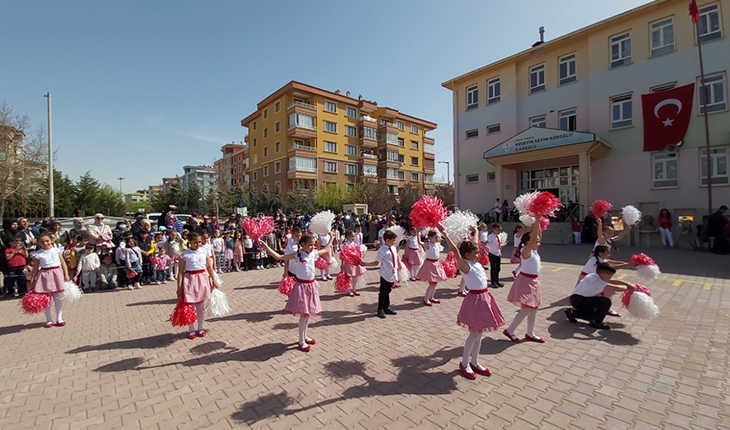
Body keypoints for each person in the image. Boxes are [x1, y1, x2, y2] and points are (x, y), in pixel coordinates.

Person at [441, 225, 504, 380]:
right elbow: (455, 251)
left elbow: (475, 243)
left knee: (480, 332)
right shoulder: (465, 264)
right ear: (467, 254)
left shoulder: (475, 262)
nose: (479, 254)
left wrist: (475, 232)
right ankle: (464, 362)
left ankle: (475, 361)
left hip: (484, 298)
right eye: (476, 253)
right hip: (475, 300)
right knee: (474, 333)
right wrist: (445, 234)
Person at [258, 231, 335, 352]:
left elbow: (325, 250)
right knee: (303, 315)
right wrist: (266, 246)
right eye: (310, 244)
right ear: (302, 244)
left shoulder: (313, 254)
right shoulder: (297, 255)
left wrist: (332, 238)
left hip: (311, 286)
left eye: (313, 245)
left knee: (308, 314)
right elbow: (279, 257)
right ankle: (301, 340)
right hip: (302, 287)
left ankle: (305, 336)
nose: (312, 247)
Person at [504, 223, 544, 343]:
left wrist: (539, 221)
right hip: (525, 281)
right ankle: (510, 330)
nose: (539, 243)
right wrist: (536, 222)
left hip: (534, 281)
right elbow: (533, 239)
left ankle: (530, 333)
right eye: (536, 242)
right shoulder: (526, 251)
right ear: (529, 242)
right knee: (526, 309)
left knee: (534, 308)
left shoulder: (534, 251)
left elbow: (538, 236)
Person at [565, 262, 637, 330]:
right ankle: (597, 322)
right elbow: (616, 288)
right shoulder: (596, 281)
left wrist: (628, 284)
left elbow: (613, 281)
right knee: (605, 302)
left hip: (578, 299)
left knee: (595, 314)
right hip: (580, 300)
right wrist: (628, 288)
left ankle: (573, 313)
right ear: (604, 275)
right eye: (610, 276)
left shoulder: (594, 275)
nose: (610, 278)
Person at [177, 232, 219, 340]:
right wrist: (179, 288)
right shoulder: (184, 254)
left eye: (199, 242)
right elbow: (181, 272)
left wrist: (213, 279)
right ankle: (191, 329)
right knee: (189, 306)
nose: (198, 244)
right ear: (189, 242)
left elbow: (209, 267)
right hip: (190, 279)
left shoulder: (204, 252)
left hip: (202, 278)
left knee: (200, 306)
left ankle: (200, 327)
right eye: (195, 242)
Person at [28, 233, 70, 328]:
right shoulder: (38, 254)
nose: (45, 243)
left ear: (51, 240)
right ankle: (48, 319)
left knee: (58, 297)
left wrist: (66, 274)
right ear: (38, 243)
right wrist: (32, 280)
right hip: (44, 275)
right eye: (42, 242)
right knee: (46, 299)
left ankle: (59, 318)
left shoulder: (56, 251)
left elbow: (63, 263)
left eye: (47, 241)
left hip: (57, 273)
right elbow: (35, 268)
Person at [363, 230, 401, 319]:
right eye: (393, 240)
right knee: (383, 292)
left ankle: (386, 307)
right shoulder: (382, 250)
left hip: (392, 273)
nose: (394, 242)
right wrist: (365, 264)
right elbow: (376, 262)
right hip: (385, 273)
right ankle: (380, 308)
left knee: (388, 291)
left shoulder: (393, 248)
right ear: (387, 240)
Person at [417, 230, 448, 306]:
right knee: (432, 283)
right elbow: (420, 242)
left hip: (436, 264)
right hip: (430, 264)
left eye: (437, 237)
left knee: (435, 282)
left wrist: (440, 234)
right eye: (435, 237)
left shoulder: (437, 244)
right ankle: (426, 298)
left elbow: (439, 246)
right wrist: (418, 233)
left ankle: (431, 297)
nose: (437, 239)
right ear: (430, 238)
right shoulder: (428, 245)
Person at [340, 230, 366, 297]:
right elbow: (343, 255)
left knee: (355, 276)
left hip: (355, 263)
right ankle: (348, 290)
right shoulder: (345, 244)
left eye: (354, 236)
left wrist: (361, 255)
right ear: (348, 236)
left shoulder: (355, 244)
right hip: (348, 263)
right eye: (352, 236)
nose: (353, 237)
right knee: (348, 276)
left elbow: (358, 253)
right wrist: (342, 264)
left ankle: (354, 289)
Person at [487, 224, 504, 288]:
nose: (499, 231)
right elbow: (487, 242)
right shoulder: (491, 236)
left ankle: (497, 280)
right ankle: (493, 281)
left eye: (500, 230)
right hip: (492, 253)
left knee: (498, 268)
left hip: (498, 253)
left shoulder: (499, 236)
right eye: (498, 230)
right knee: (493, 268)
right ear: (493, 229)